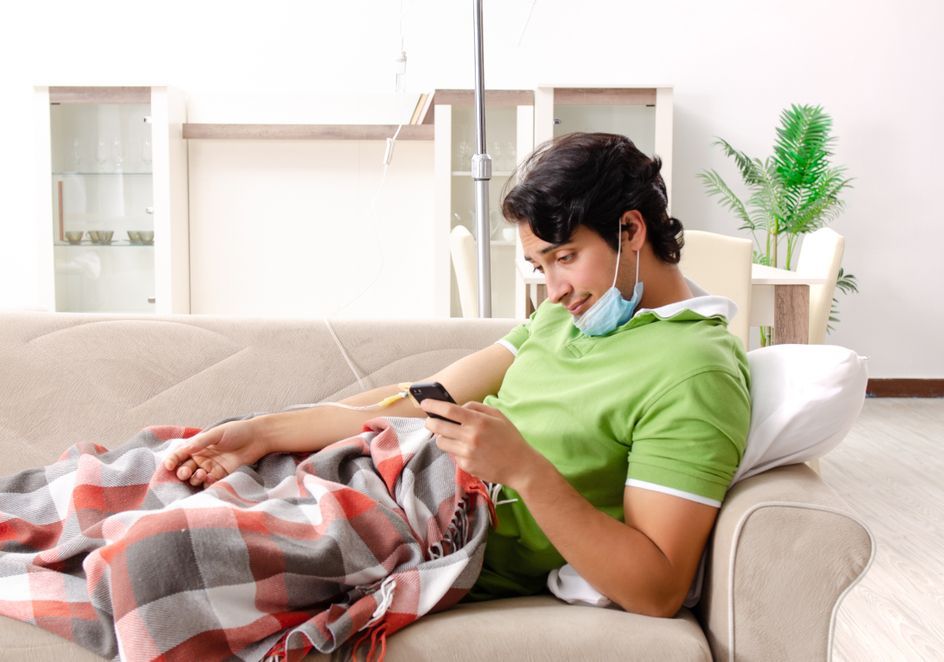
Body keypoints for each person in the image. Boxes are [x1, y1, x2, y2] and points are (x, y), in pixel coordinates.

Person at [164, 132, 751, 618]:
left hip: (428, 531)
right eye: (541, 265)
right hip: (384, 472)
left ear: (630, 231)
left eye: (566, 257)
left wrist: (524, 469)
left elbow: (658, 587)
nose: (556, 291)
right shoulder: (563, 319)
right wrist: (267, 431)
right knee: (155, 480)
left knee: (163, 557)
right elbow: (424, 402)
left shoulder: (694, 371)